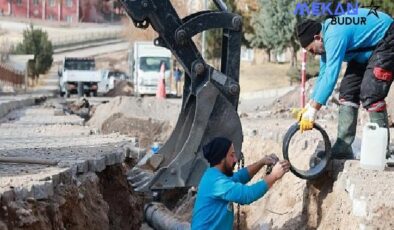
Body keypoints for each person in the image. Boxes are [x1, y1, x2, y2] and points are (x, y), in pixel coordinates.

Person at [296, 8, 394, 159]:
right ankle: (343, 147)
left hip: (387, 38)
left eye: (311, 50)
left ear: (317, 37)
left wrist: (314, 110)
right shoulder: (326, 42)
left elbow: (331, 76)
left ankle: (383, 151)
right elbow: (323, 75)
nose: (312, 54)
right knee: (347, 91)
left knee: (371, 92)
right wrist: (309, 105)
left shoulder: (334, 34)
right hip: (366, 50)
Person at [191, 137, 290, 230]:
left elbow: (239, 177)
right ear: (221, 159)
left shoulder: (214, 174)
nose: (235, 159)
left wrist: (261, 162)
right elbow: (247, 195)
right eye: (231, 155)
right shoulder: (216, 183)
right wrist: (274, 176)